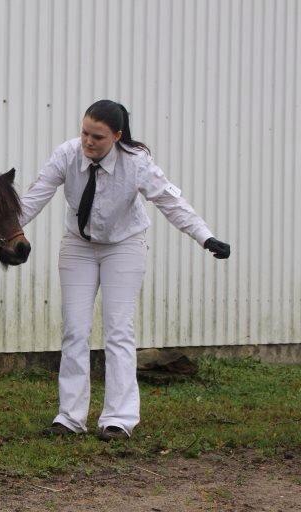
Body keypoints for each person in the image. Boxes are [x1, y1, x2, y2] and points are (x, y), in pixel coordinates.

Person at [19, 99, 230, 441]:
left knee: (119, 329)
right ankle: (70, 417)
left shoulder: (137, 164)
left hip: (124, 246)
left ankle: (119, 418)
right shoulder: (67, 155)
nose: (88, 141)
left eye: (98, 137)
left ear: (116, 136)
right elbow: (32, 199)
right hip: (78, 245)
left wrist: (205, 237)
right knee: (75, 329)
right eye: (85, 132)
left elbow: (172, 202)